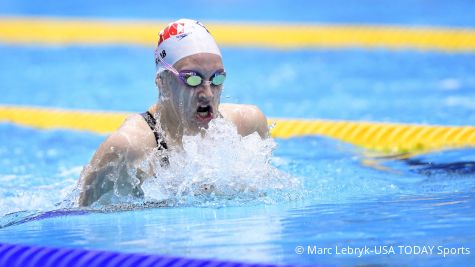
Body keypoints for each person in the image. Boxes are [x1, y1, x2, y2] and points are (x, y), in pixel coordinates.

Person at [78, 19, 269, 206]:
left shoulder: (248, 127)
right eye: (192, 80)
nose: (208, 94)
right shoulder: (129, 148)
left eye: (217, 79)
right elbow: (80, 219)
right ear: (162, 82)